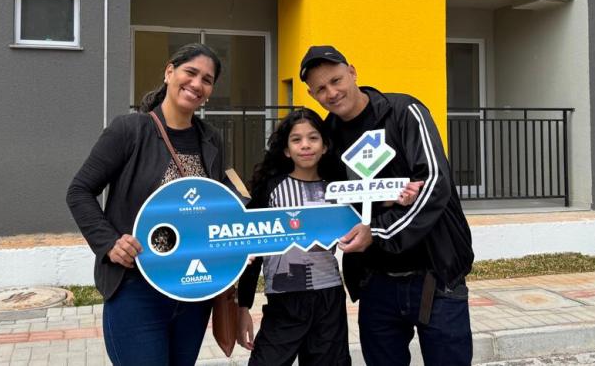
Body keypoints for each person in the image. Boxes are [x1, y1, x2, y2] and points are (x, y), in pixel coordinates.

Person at [299, 45, 475, 366]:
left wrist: (378, 231)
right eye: (321, 89)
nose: (332, 93)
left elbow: (434, 183)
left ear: (352, 72)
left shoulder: (404, 111)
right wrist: (388, 196)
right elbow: (335, 199)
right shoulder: (327, 137)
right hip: (375, 282)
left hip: (436, 275)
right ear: (312, 95)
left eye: (336, 80)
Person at [66, 43, 224, 366]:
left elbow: (215, 206)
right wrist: (109, 243)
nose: (197, 84)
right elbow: (79, 191)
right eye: (190, 72)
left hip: (192, 291)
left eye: (207, 80)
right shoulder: (130, 130)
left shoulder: (211, 139)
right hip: (136, 289)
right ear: (169, 72)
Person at [236, 108, 421, 366]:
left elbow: (370, 209)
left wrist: (399, 198)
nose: (305, 145)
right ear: (286, 150)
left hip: (329, 299)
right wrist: (243, 306)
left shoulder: (340, 189)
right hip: (283, 300)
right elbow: (253, 246)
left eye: (313, 138)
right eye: (296, 139)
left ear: (324, 146)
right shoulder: (270, 189)